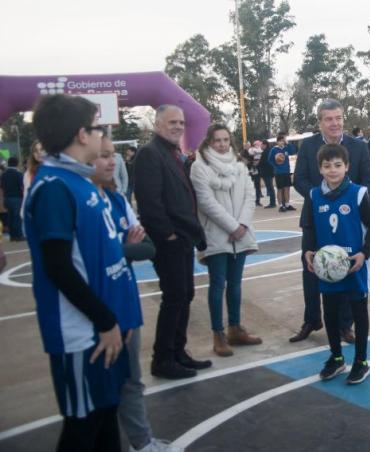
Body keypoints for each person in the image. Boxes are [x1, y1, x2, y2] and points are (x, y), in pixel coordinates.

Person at [26, 94, 137, 452]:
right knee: (83, 426)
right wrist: (104, 321)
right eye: (95, 127)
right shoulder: (54, 188)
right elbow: (58, 267)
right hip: (81, 334)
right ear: (81, 134)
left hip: (105, 327)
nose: (102, 134)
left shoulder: (81, 181)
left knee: (106, 415)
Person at [92, 137, 182, 452]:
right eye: (102, 156)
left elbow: (148, 248)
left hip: (125, 304)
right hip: (97, 311)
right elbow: (96, 252)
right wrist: (122, 246)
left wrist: (119, 248)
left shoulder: (117, 202)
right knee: (102, 390)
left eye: (112, 155)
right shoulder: (80, 201)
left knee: (131, 380)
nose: (111, 162)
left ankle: (142, 442)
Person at [292, 98, 370, 343]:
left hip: (349, 219)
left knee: (347, 266)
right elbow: (299, 179)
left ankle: (344, 324)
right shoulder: (308, 146)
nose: (335, 123)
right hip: (314, 217)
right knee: (311, 268)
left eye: (338, 118)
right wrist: (320, 197)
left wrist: (359, 204)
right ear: (319, 122)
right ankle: (312, 319)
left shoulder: (358, 147)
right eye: (329, 119)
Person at [134, 105, 210, 380]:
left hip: (182, 238)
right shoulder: (149, 154)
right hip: (169, 241)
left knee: (185, 295)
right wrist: (168, 234)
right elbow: (149, 201)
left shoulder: (171, 153)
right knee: (175, 296)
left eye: (181, 122)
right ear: (157, 125)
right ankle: (163, 359)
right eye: (171, 122)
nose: (178, 126)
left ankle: (178, 351)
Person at [302, 144, 370, 384]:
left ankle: (361, 361)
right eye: (327, 166)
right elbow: (309, 228)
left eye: (338, 165)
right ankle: (336, 358)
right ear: (320, 169)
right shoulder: (314, 195)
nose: (333, 170)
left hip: (353, 264)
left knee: (359, 312)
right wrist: (308, 251)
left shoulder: (357, 193)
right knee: (332, 312)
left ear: (346, 167)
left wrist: (364, 254)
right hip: (328, 268)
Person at [190, 124, 263, 356]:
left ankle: (235, 327)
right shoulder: (199, 167)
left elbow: (250, 195)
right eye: (217, 140)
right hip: (216, 235)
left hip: (240, 235)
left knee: (235, 284)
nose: (222, 144)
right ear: (208, 142)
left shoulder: (240, 166)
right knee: (217, 284)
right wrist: (232, 226)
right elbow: (205, 202)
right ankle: (218, 333)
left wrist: (241, 225)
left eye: (225, 140)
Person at [268, 133, 297, 212]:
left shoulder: (286, 148)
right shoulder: (274, 149)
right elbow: (270, 160)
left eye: (283, 141)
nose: (282, 142)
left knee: (287, 188)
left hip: (286, 171)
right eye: (280, 141)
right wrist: (276, 166)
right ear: (277, 142)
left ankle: (287, 204)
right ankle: (281, 205)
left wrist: (288, 143)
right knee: (280, 189)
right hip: (279, 172)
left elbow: (293, 151)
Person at [0, 156, 24, 240]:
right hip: (16, 198)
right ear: (17, 163)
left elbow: (1, 188)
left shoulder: (4, 174)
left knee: (10, 217)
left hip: (7, 198)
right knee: (17, 217)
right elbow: (22, 186)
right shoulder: (18, 174)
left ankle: (12, 236)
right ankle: (19, 235)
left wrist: (2, 201)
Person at [258, 140, 276, 208]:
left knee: (270, 187)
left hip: (267, 172)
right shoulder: (270, 151)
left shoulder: (265, 152)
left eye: (261, 145)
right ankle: (272, 202)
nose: (261, 146)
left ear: (265, 145)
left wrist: (256, 164)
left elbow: (262, 163)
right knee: (270, 187)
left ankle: (272, 203)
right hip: (270, 172)